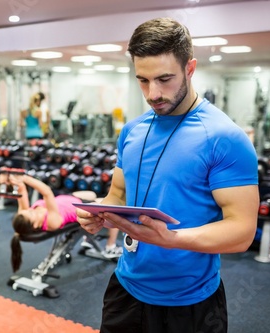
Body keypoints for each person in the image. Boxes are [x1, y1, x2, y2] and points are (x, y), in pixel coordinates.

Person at [76, 17, 259, 333]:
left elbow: (242, 231)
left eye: (164, 79)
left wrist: (171, 239)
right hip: (125, 289)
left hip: (190, 303)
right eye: (143, 80)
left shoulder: (224, 137)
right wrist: (100, 214)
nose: (153, 93)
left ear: (190, 68)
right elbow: (118, 194)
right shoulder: (132, 131)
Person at [2, 172, 122, 273]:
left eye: (29, 210)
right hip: (81, 208)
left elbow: (21, 189)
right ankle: (110, 247)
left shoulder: (25, 215)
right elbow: (47, 192)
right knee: (112, 209)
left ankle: (88, 241)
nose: (30, 210)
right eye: (32, 213)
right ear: (35, 225)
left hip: (69, 199)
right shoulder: (51, 223)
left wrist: (10, 178)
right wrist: (24, 177)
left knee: (92, 194)